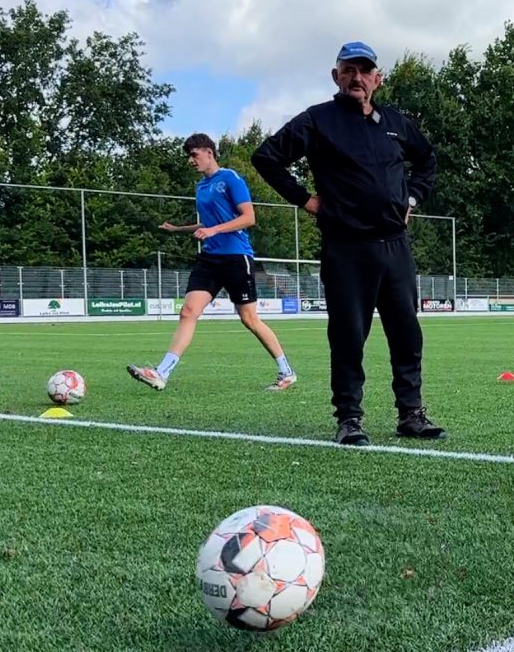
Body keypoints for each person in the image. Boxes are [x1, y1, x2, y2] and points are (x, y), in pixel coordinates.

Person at [250, 41, 444, 446]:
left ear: (378, 78)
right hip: (346, 249)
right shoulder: (318, 120)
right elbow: (266, 157)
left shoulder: (396, 122)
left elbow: (427, 161)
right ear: (335, 76)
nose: (357, 78)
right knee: (348, 335)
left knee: (407, 333)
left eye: (364, 70)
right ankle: (349, 418)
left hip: (395, 245)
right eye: (348, 70)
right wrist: (305, 199)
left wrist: (411, 198)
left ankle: (411, 414)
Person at [127, 133, 297, 392]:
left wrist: (215, 231)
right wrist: (178, 229)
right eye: (189, 156)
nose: (191, 161)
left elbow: (248, 217)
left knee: (249, 319)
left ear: (209, 152)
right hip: (209, 258)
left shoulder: (230, 178)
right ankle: (161, 372)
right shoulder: (201, 187)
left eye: (194, 155)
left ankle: (286, 372)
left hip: (236, 257)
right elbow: (207, 224)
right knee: (188, 312)